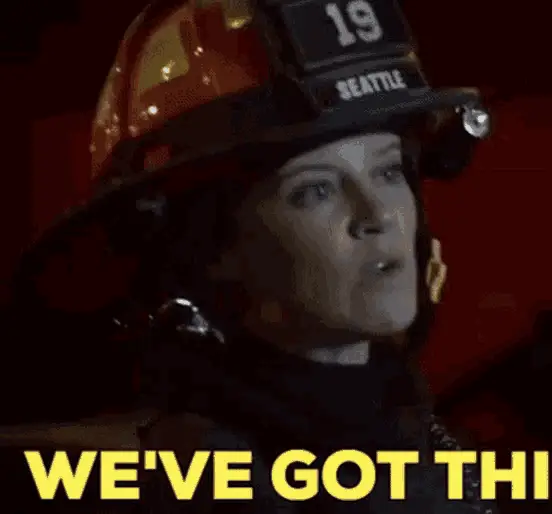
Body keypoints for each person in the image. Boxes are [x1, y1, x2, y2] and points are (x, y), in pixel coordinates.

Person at [7, 0, 494, 512]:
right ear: (211, 250)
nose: (376, 215)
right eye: (315, 190)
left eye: (388, 171)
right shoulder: (193, 486)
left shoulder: (414, 444)